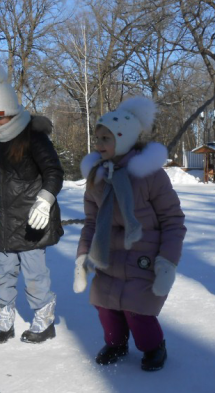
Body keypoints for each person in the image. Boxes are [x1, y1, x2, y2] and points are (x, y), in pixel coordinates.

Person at [73, 96, 186, 371]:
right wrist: (83, 257)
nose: (98, 146)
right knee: (105, 305)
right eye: (97, 138)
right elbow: (91, 221)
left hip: (144, 256)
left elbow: (173, 221)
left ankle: (153, 346)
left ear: (123, 140)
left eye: (105, 139)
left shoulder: (151, 176)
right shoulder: (97, 177)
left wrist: (167, 262)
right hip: (109, 253)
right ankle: (116, 343)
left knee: (138, 310)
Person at [0, 65, 64, 344]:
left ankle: (44, 319)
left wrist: (45, 200)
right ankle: (4, 320)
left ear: (10, 113)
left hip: (31, 218)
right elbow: (1, 174)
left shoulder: (33, 136)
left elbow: (54, 172)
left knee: (34, 274)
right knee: (4, 272)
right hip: (5, 219)